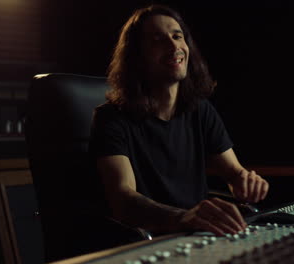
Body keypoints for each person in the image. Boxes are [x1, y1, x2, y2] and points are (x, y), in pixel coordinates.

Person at [89, 4, 269, 237]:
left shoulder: (201, 110)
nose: (174, 45)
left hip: (198, 234)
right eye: (157, 40)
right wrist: (184, 217)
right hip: (148, 241)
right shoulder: (110, 119)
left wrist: (245, 182)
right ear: (137, 57)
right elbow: (123, 199)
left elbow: (234, 173)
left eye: (177, 36)